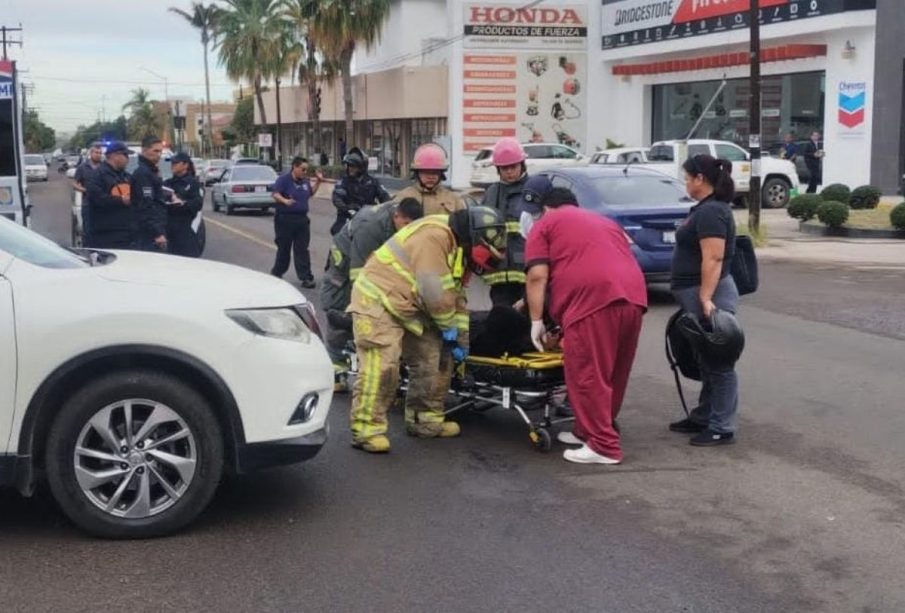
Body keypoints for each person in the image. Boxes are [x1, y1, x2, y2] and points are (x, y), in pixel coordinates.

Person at [348, 207, 507, 453]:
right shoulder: (435, 237)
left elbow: (456, 297)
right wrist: (448, 329)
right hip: (378, 300)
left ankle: (425, 421)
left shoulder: (460, 245)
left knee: (432, 359)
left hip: (412, 303)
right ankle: (366, 429)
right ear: (476, 238)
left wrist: (460, 342)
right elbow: (434, 291)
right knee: (383, 366)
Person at [524, 186, 647, 465]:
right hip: (634, 296)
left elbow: (537, 277)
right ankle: (586, 431)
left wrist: (536, 321)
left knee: (586, 372)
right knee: (614, 371)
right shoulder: (605, 222)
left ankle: (604, 446)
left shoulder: (545, 225)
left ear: (544, 209)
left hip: (593, 301)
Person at [668, 153, 740, 446]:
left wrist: (706, 298)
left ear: (700, 179)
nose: (685, 182)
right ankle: (704, 415)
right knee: (705, 357)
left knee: (719, 361)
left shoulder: (712, 212)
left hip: (709, 294)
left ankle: (722, 426)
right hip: (698, 293)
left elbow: (714, 257)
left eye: (687, 177)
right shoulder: (705, 209)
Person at [321, 197, 424, 387]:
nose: (410, 229)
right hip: (346, 262)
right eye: (406, 224)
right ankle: (336, 371)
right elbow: (359, 273)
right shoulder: (371, 227)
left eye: (414, 225)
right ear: (396, 216)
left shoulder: (410, 228)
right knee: (340, 314)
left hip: (378, 259)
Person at [481, 137, 530, 307]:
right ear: (498, 169)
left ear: (522, 165)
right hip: (498, 272)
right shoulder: (491, 192)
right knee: (501, 319)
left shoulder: (531, 191)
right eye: (504, 168)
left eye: (513, 167)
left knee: (528, 321)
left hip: (527, 271)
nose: (509, 172)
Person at [271, 156, 323, 288]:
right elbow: (275, 194)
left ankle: (306, 277)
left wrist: (318, 182)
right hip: (285, 219)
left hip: (301, 220)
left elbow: (310, 193)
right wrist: (285, 201)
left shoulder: (304, 181)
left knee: (302, 249)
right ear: (295, 167)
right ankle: (277, 273)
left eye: (306, 170)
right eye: (303, 169)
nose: (305, 172)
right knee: (284, 248)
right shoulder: (283, 180)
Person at [86, 141, 136, 249]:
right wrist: (121, 200)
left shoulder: (126, 176)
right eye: (125, 155)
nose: (128, 159)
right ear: (114, 156)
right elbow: (97, 199)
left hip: (127, 233)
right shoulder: (98, 175)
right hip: (106, 235)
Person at [331, 146, 391, 235]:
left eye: (354, 166)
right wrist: (348, 208)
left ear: (362, 167)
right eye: (349, 165)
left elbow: (385, 197)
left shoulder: (372, 182)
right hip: (347, 217)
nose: (350, 168)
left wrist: (384, 209)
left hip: (367, 218)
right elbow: (337, 198)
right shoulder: (343, 182)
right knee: (339, 234)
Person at [394, 143, 465, 217]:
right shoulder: (403, 197)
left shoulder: (453, 198)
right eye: (426, 172)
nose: (431, 177)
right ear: (417, 173)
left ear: (441, 174)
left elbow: (463, 224)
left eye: (435, 172)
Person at [163, 152, 204, 257]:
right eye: (172, 163)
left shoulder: (193, 184)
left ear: (185, 165)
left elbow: (197, 203)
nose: (172, 165)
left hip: (185, 230)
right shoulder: (167, 183)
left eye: (176, 163)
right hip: (168, 230)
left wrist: (182, 203)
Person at [132, 136, 168, 252]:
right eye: (155, 151)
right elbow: (146, 205)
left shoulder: (152, 171)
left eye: (160, 152)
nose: (159, 155)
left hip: (155, 227)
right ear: (144, 150)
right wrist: (157, 233)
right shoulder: (143, 173)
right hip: (147, 233)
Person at [73, 142, 103, 247]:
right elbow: (75, 184)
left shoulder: (104, 167)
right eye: (96, 152)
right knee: (87, 230)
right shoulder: (82, 167)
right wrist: (85, 190)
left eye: (100, 153)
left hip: (102, 204)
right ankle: (87, 250)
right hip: (88, 203)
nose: (98, 155)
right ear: (91, 153)